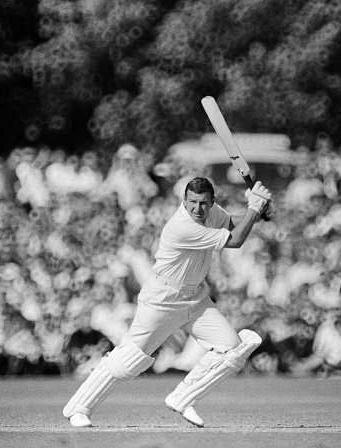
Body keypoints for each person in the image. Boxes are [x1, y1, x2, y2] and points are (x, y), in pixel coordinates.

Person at [62, 176, 275, 428]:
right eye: (192, 202)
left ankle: (183, 397)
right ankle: (78, 408)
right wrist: (253, 207)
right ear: (184, 201)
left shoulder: (212, 213)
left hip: (195, 297)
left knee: (231, 349)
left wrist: (260, 213)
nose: (198, 209)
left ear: (212, 201)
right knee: (128, 360)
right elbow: (236, 240)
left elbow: (233, 223)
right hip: (162, 299)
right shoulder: (182, 226)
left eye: (204, 203)